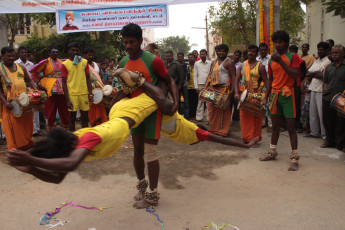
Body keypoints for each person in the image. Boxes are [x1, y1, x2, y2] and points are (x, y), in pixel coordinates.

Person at [6, 72, 258, 185]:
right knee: (155, 105)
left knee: (165, 103)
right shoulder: (71, 145)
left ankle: (143, 80)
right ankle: (140, 82)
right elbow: (59, 176)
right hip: (123, 114)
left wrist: (29, 157)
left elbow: (67, 166)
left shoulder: (89, 138)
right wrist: (30, 169)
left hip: (125, 115)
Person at [116, 23, 179, 209]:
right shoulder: (122, 63)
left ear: (141, 41)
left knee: (150, 152)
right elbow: (126, 90)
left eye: (132, 42)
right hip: (134, 113)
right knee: (137, 151)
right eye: (125, 42)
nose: (128, 46)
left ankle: (152, 194)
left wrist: (175, 102)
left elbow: (169, 80)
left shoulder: (154, 61)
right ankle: (141, 186)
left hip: (152, 113)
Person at [259, 31, 301, 171]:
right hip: (275, 96)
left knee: (291, 128)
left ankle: (294, 158)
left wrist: (281, 61)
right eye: (275, 42)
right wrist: (266, 96)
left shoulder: (293, 56)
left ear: (287, 43)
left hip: (288, 95)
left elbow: (295, 75)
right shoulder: (271, 60)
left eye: (280, 42)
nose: (277, 44)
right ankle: (272, 152)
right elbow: (270, 80)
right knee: (275, 127)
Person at [0, 47, 38, 150]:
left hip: (25, 101)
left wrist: (37, 93)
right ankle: (15, 147)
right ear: (3, 56)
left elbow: (29, 81)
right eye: (8, 56)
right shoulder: (0, 69)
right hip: (10, 102)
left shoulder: (20, 66)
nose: (11, 58)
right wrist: (5, 103)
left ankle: (26, 143)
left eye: (13, 56)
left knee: (27, 123)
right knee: (13, 126)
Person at [29, 46, 70, 131]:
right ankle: (50, 126)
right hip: (50, 87)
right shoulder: (45, 62)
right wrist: (40, 83)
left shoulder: (62, 62)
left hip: (62, 86)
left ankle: (66, 125)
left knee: (64, 106)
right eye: (53, 52)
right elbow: (34, 73)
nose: (55, 53)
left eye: (56, 52)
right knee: (51, 107)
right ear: (49, 53)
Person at [234, 44, 268, 144]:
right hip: (244, 95)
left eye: (253, 51)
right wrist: (236, 92)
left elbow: (266, 81)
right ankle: (246, 138)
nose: (251, 53)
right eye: (249, 51)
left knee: (255, 118)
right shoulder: (242, 65)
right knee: (244, 117)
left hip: (255, 95)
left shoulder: (260, 66)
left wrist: (265, 96)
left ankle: (255, 138)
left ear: (257, 54)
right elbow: (236, 80)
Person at [61, 42, 93, 131]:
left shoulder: (84, 62)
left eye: (77, 50)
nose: (75, 52)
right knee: (72, 118)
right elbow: (63, 82)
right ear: (69, 51)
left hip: (83, 93)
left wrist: (90, 93)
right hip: (72, 94)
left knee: (85, 118)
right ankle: (72, 138)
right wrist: (67, 99)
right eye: (73, 50)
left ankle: (84, 137)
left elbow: (88, 79)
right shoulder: (65, 64)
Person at [206, 44, 236, 136]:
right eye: (219, 51)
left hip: (224, 89)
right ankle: (213, 129)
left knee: (223, 111)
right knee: (212, 110)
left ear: (226, 52)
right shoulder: (213, 62)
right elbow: (210, 75)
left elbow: (234, 77)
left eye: (223, 51)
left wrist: (233, 90)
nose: (220, 53)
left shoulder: (229, 62)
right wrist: (206, 87)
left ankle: (223, 131)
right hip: (213, 88)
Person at [304, 42, 330, 139]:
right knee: (313, 112)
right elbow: (307, 73)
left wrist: (313, 74)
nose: (319, 51)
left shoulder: (328, 62)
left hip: (321, 90)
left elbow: (323, 75)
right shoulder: (316, 61)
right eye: (318, 49)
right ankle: (314, 132)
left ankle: (324, 135)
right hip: (313, 88)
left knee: (321, 113)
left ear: (327, 51)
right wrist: (316, 73)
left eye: (322, 49)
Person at [321, 44, 345, 152]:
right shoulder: (329, 67)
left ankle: (340, 144)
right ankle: (329, 141)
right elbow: (325, 82)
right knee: (327, 120)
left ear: (343, 54)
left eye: (336, 53)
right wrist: (324, 92)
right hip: (328, 97)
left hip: (341, 100)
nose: (334, 55)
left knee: (340, 122)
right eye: (333, 53)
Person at [15, 46, 40, 136]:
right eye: (22, 52)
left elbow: (32, 78)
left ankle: (36, 130)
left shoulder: (31, 64)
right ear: (18, 54)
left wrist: (36, 89)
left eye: (25, 52)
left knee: (34, 108)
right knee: (23, 109)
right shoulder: (15, 64)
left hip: (31, 88)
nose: (24, 54)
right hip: (20, 89)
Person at [84, 47, 107, 127]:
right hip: (88, 90)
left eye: (92, 55)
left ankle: (102, 122)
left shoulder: (96, 65)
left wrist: (104, 87)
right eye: (89, 55)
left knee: (101, 106)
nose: (91, 56)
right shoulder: (83, 65)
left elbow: (101, 76)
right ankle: (93, 123)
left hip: (99, 89)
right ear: (85, 55)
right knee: (92, 107)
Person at [288, 45, 307, 132]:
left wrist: (298, 80)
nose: (292, 53)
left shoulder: (301, 61)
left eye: (293, 51)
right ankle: (287, 125)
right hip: (287, 86)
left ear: (296, 52)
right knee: (288, 105)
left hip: (296, 85)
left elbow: (303, 73)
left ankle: (298, 125)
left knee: (296, 105)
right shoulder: (287, 60)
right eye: (290, 51)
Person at [257, 43, 272, 131]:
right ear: (259, 51)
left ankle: (271, 124)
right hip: (259, 85)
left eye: (265, 50)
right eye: (261, 50)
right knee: (261, 104)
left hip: (269, 84)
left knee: (269, 104)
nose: (263, 51)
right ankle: (262, 122)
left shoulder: (271, 59)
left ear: (267, 50)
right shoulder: (256, 59)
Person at [194, 49, 211, 122]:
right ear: (199, 55)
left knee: (209, 102)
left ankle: (209, 118)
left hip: (209, 85)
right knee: (200, 101)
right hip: (200, 84)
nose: (202, 55)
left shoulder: (210, 63)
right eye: (201, 54)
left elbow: (211, 74)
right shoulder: (197, 63)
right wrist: (196, 86)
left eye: (204, 54)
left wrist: (211, 85)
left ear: (206, 55)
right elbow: (195, 75)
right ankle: (199, 118)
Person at [177, 52, 189, 119]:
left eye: (181, 57)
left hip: (184, 86)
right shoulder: (175, 65)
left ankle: (186, 117)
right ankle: (178, 116)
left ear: (183, 57)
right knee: (177, 101)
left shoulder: (186, 65)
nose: (179, 58)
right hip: (177, 86)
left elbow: (188, 75)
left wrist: (185, 82)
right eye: (178, 57)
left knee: (186, 102)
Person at [187, 53, 198, 120]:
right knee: (189, 102)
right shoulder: (186, 65)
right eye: (189, 57)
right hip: (188, 86)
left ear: (195, 58)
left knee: (196, 102)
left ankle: (195, 115)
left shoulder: (197, 65)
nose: (191, 58)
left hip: (195, 86)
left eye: (192, 57)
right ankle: (190, 115)